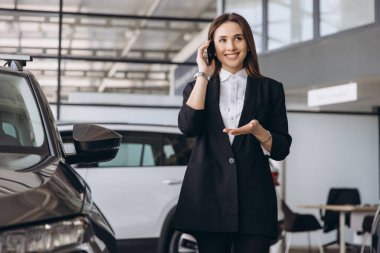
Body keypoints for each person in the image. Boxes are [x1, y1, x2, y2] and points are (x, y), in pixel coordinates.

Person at [172, 12, 292, 253]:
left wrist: (260, 132)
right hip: (208, 200)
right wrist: (203, 75)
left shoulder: (271, 89)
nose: (231, 46)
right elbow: (188, 127)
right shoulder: (197, 87)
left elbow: (282, 148)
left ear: (248, 43)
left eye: (238, 38)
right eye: (222, 40)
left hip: (254, 203)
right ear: (212, 47)